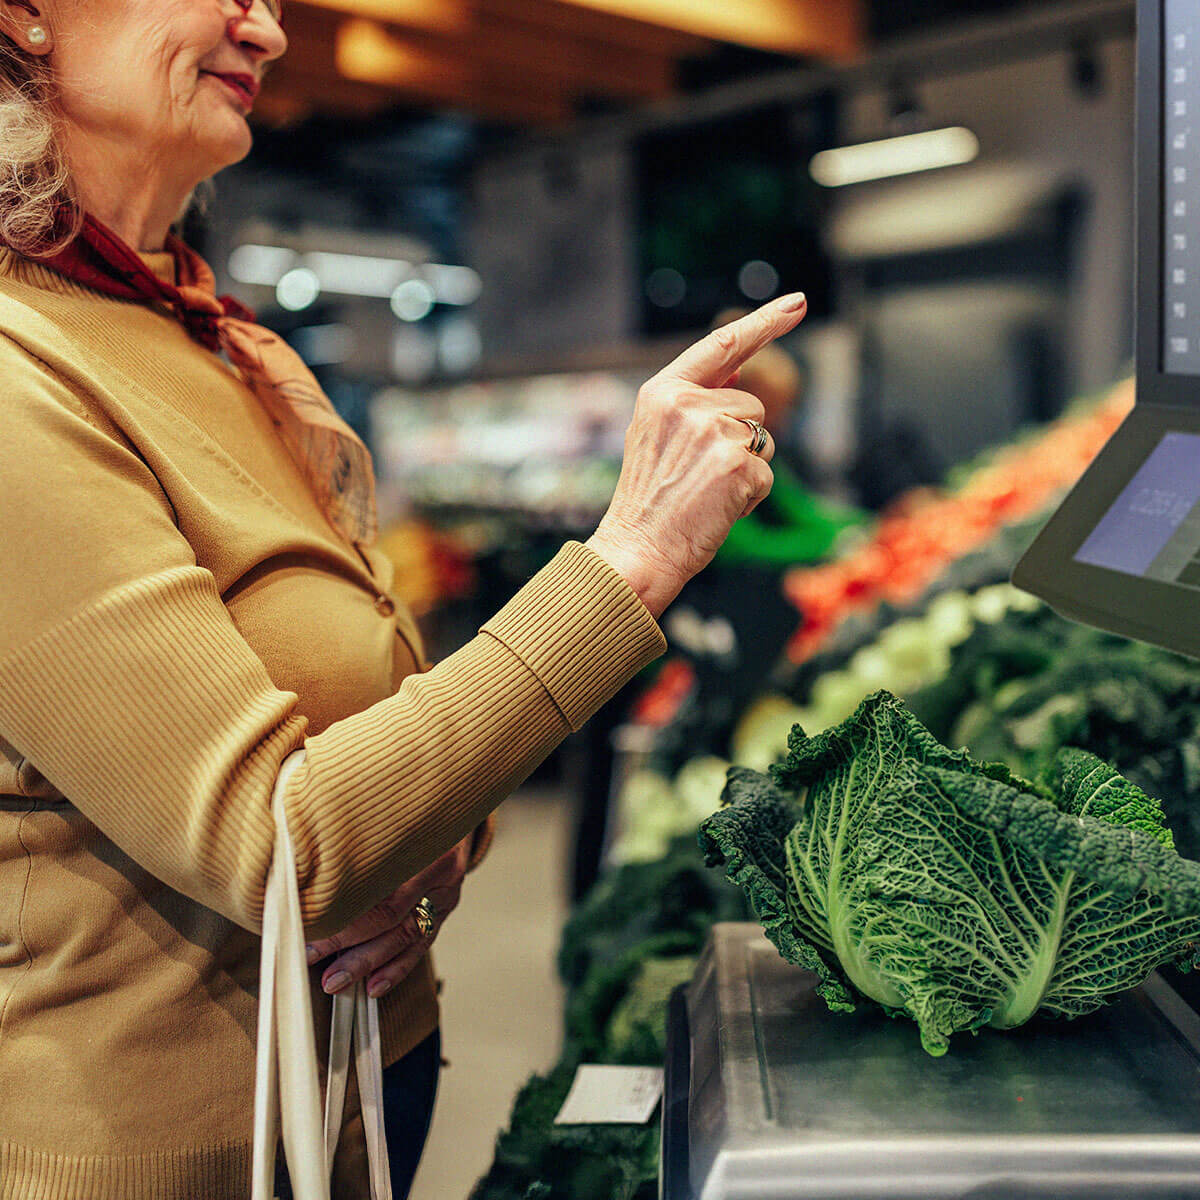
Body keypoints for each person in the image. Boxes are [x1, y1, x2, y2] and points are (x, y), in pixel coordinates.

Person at [0, 2, 806, 1197]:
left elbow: (395, 708)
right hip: (166, 1156)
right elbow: (281, 842)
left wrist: (431, 856)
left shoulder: (217, 341)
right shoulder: (23, 377)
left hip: (356, 1102)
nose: (267, 32)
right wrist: (630, 554)